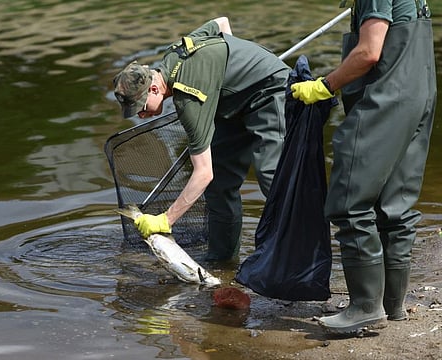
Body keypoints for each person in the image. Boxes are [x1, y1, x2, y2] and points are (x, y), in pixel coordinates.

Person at [291, 0, 436, 334]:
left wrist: (324, 85)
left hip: (387, 99)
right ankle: (391, 307)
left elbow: (369, 51)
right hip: (418, 94)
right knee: (394, 205)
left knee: (349, 201)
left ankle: (364, 308)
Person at [113, 17, 291, 261]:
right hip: (232, 103)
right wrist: (221, 76)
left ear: (154, 89)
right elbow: (220, 23)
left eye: (141, 108)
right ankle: (222, 261)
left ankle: (298, 255)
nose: (141, 115)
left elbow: (202, 173)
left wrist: (166, 220)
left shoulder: (187, 101)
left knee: (272, 174)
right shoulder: (172, 56)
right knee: (219, 186)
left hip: (268, 89)